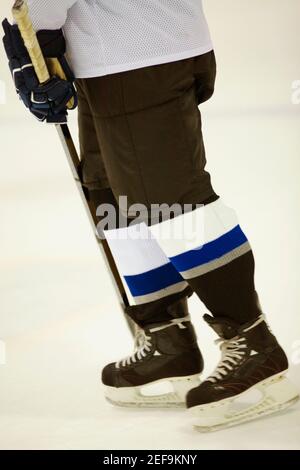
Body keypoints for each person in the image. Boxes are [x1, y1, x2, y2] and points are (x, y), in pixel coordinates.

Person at [3, 0, 298, 431]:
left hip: (135, 56)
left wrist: (30, 40)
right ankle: (168, 338)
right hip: (117, 51)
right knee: (116, 200)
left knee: (171, 202)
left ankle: (254, 342)